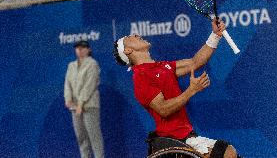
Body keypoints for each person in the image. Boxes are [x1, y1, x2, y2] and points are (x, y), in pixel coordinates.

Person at [113, 18, 242, 158]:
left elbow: (195, 62)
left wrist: (215, 35)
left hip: (185, 135)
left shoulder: (163, 66)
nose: (137, 35)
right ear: (127, 50)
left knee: (229, 152)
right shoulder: (141, 77)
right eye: (131, 37)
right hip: (173, 139)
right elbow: (163, 109)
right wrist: (191, 90)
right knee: (228, 153)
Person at [64, 40, 104, 158]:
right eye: (77, 48)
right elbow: (67, 84)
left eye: (83, 48)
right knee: (81, 138)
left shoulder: (93, 64)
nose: (80, 50)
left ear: (88, 50)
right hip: (75, 107)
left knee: (94, 137)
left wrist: (81, 103)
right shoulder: (71, 65)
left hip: (89, 105)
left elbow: (90, 85)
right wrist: (68, 99)